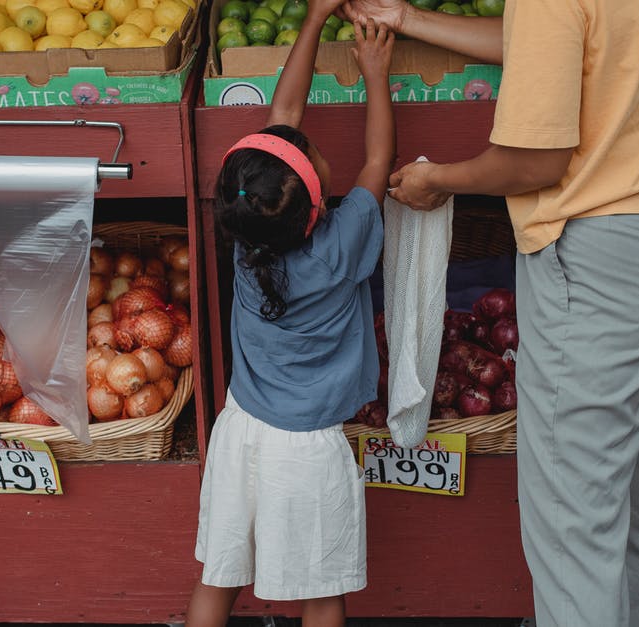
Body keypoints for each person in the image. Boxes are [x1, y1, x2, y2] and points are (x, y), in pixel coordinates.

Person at [343, 1, 639, 626]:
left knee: (575, 536)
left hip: (601, 264)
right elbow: (557, 44)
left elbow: (534, 162)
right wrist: (408, 18)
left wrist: (440, 181)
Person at [184, 5, 396, 627]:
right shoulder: (341, 242)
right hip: (308, 451)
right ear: (315, 200)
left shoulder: (248, 233)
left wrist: (313, 16)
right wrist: (375, 72)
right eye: (314, 158)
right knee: (322, 594)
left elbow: (283, 119)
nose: (318, 151)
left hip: (240, 431)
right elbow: (379, 160)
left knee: (218, 578)